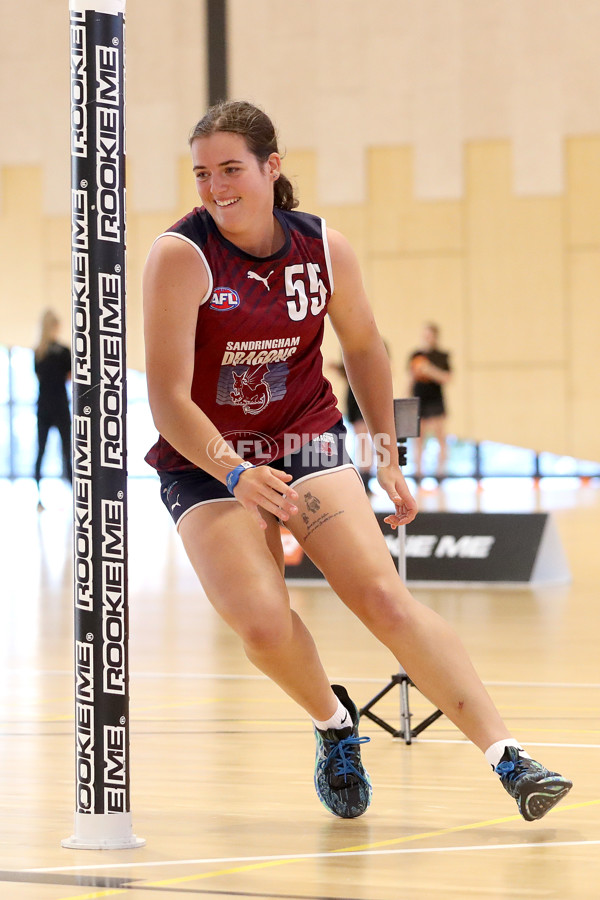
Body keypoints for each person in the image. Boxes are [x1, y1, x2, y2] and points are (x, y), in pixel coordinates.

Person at [142, 100, 572, 822]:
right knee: (261, 622)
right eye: (202, 173)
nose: (216, 187)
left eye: (231, 170)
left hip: (306, 437)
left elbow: (368, 349)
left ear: (271, 168)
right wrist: (237, 475)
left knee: (380, 596)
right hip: (207, 459)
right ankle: (334, 724)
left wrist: (390, 456)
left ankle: (509, 756)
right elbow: (166, 398)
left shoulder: (323, 249)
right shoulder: (180, 256)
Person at [33, 309, 72, 510]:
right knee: (67, 450)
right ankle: (76, 496)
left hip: (43, 406)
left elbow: (40, 378)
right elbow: (69, 377)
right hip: (60, 405)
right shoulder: (64, 351)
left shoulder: (38, 352)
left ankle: (39, 499)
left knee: (41, 450)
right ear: (55, 327)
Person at [408, 323, 451, 481]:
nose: (426, 337)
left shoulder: (442, 356)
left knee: (440, 437)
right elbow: (410, 378)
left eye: (429, 334)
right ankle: (418, 474)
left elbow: (447, 378)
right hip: (419, 400)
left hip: (435, 400)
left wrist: (429, 370)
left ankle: (440, 474)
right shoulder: (416, 354)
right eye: (424, 334)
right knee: (418, 439)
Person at [329, 359, 374, 495]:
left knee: (363, 441)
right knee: (361, 440)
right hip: (354, 395)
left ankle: (365, 480)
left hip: (364, 394)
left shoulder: (372, 347)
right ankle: (364, 480)